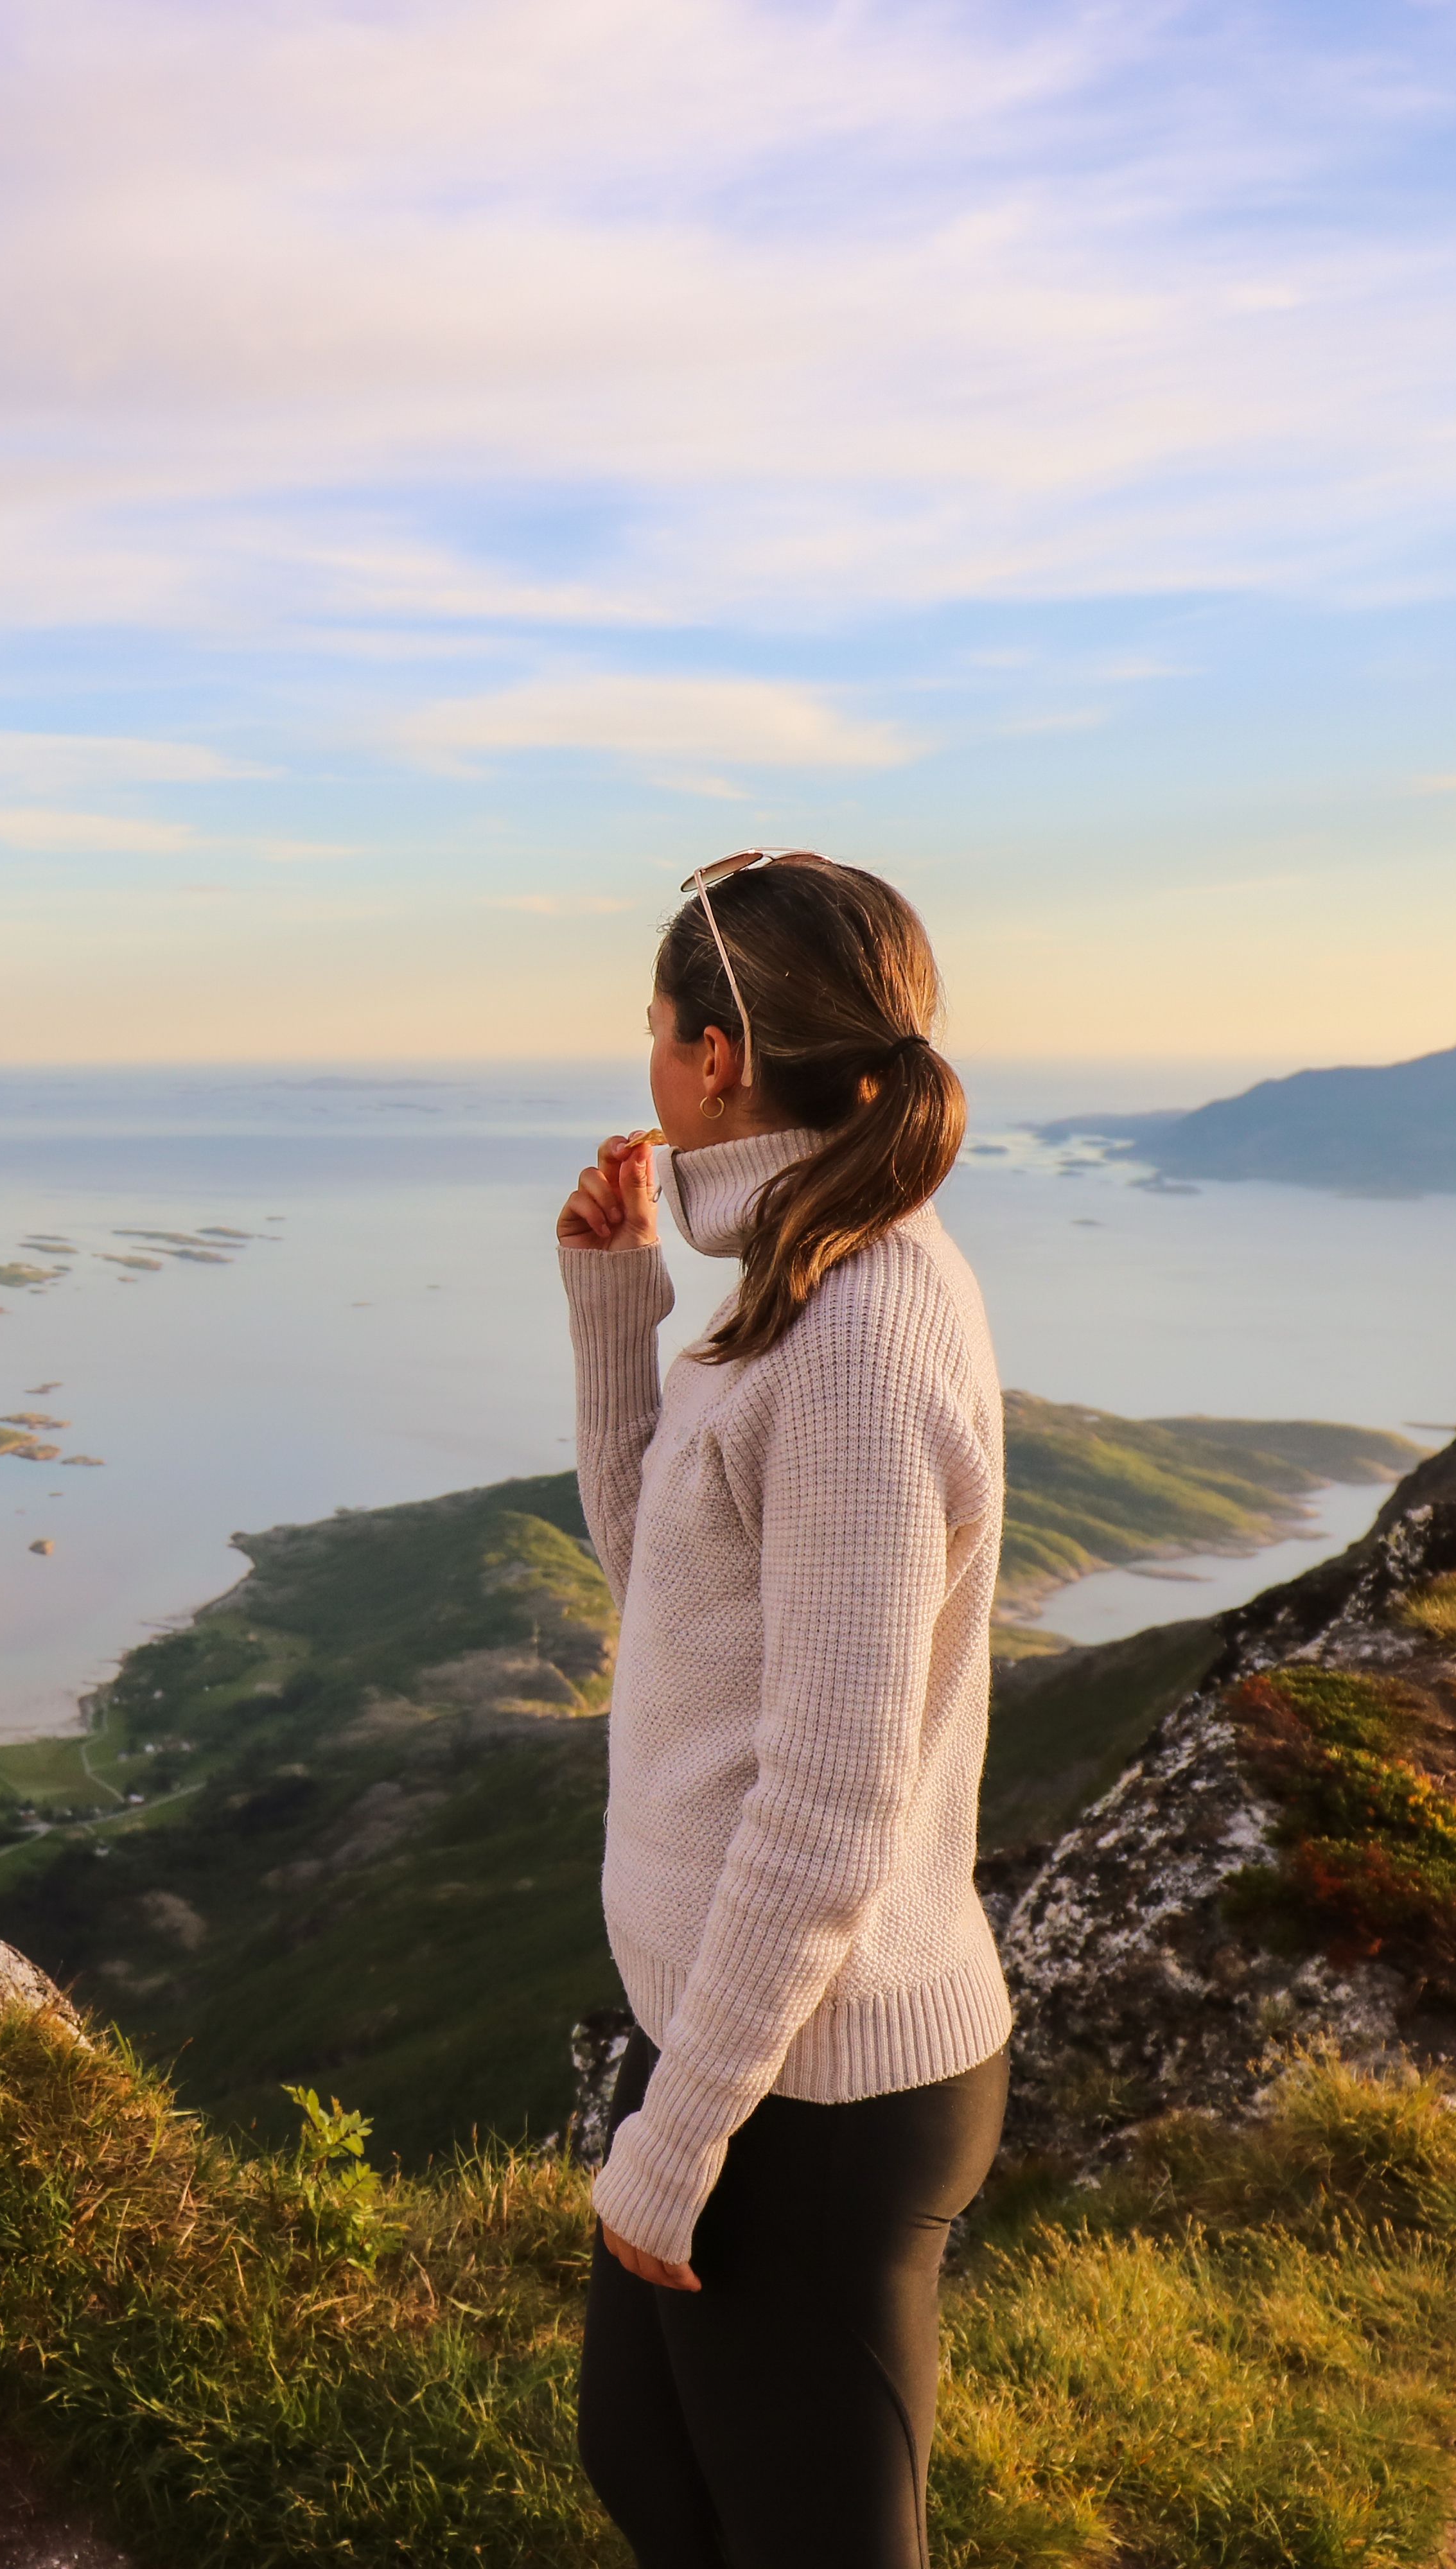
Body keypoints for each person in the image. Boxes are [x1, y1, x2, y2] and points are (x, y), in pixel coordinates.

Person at [549, 851, 1010, 2569]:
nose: (650, 1078)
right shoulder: (804, 1273)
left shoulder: (857, 1341)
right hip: (742, 2057)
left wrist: (680, 2140)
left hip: (812, 2102)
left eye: (661, 1037)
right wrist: (616, 1312)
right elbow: (664, 1598)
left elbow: (828, 1811)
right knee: (655, 2479)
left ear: (719, 1058)